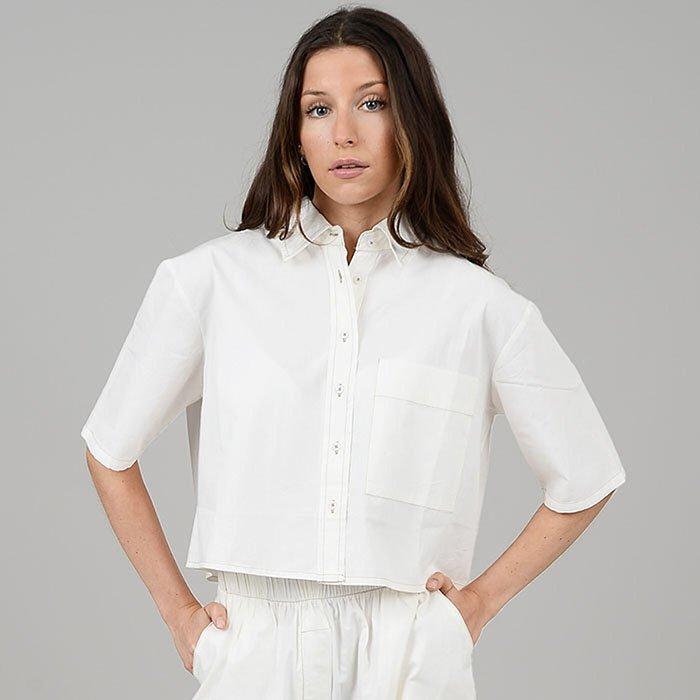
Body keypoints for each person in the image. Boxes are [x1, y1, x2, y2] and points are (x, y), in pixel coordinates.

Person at [80, 6, 626, 699]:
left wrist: (478, 605)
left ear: (412, 121)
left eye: (372, 103)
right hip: (256, 647)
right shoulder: (210, 283)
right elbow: (109, 447)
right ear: (295, 133)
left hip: (410, 652)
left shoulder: (476, 306)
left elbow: (586, 474)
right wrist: (178, 615)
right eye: (318, 109)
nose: (343, 133)